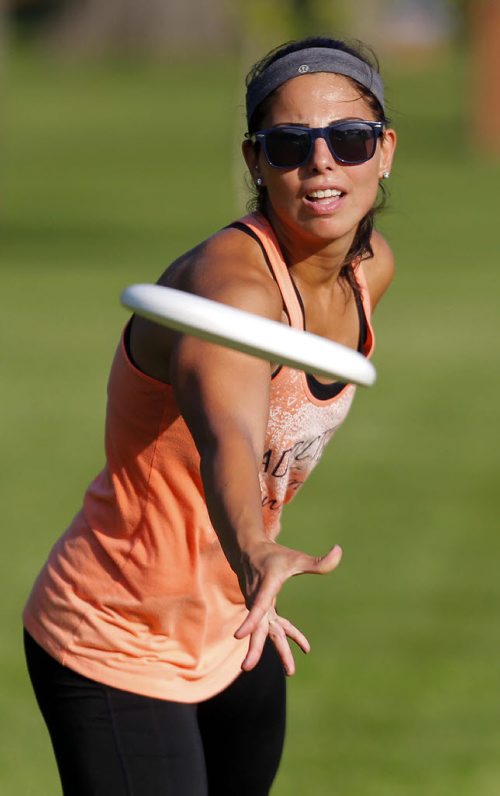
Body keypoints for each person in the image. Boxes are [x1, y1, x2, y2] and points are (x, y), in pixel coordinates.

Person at [23, 34, 397, 796]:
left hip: (234, 628)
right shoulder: (228, 298)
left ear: (383, 151)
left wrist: (246, 570)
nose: (322, 162)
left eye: (349, 140)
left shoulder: (369, 270)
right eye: (291, 144)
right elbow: (228, 435)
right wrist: (256, 547)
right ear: (255, 162)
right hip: (118, 629)